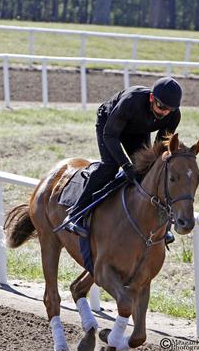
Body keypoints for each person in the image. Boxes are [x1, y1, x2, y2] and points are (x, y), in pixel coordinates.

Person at [64, 76, 183, 240]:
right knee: (110, 166)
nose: (164, 112)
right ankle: (75, 213)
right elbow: (110, 135)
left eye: (169, 109)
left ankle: (160, 224)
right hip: (109, 125)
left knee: (147, 170)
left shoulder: (173, 115)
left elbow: (159, 147)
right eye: (161, 106)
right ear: (151, 98)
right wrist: (126, 166)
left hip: (138, 131)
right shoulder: (131, 101)